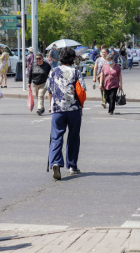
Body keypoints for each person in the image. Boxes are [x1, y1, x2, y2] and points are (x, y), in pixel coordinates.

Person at [46, 47, 86, 180]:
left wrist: (51, 106)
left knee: (56, 136)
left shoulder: (53, 71)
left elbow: (49, 90)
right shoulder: (76, 72)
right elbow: (82, 89)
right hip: (74, 109)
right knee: (73, 137)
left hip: (57, 109)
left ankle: (56, 162)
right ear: (73, 58)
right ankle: (72, 166)